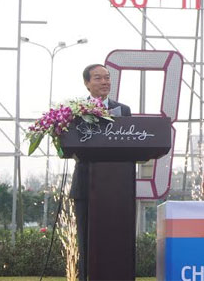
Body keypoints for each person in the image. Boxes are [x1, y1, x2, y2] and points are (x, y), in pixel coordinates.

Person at [70, 64, 131, 281]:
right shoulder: (75, 110)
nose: (105, 82)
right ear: (87, 83)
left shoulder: (123, 110)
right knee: (85, 240)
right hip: (86, 183)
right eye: (98, 78)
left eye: (107, 77)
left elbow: (130, 142)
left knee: (115, 239)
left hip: (117, 187)